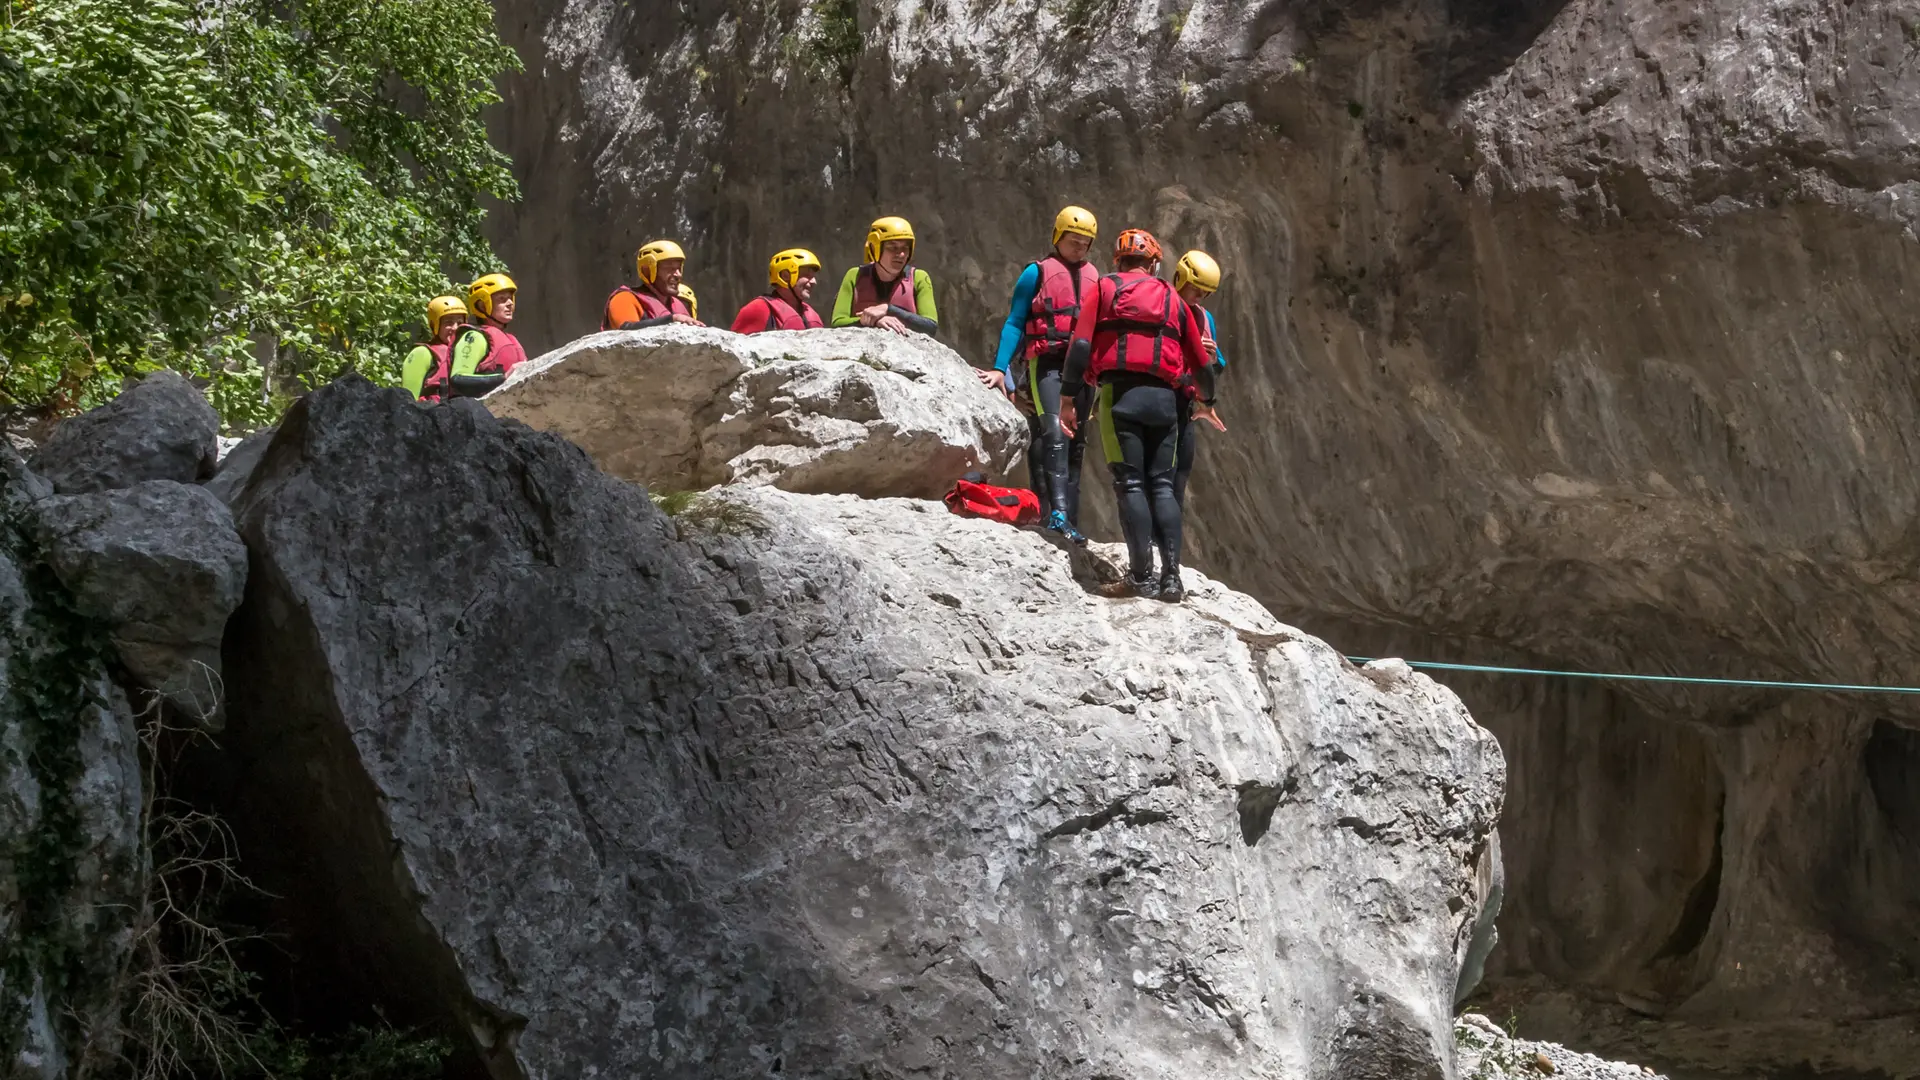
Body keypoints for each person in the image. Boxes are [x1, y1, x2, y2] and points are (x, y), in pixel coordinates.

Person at [1059, 229, 1224, 601]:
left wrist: (1068, 398)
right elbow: (1201, 363)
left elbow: (1081, 344)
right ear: (1153, 264)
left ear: (1118, 261)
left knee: (1131, 484)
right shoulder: (1172, 298)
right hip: (1166, 402)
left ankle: (1139, 577)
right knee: (1163, 486)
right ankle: (1171, 579)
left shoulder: (1102, 289)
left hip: (1121, 397)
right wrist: (1207, 402)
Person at [981, 205, 1100, 542]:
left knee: (1076, 446)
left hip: (1083, 374)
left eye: (1085, 242)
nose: (1079, 247)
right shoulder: (1036, 273)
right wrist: (999, 369)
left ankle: (1069, 519)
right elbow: (1016, 321)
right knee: (1055, 434)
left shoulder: (1097, 279)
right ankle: (1056, 516)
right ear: (1058, 238)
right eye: (1073, 240)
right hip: (1047, 365)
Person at [1170, 249, 1228, 506]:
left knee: (1180, 473)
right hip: (1161, 394)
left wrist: (1211, 360)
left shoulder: (1205, 318)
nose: (1199, 297)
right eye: (1196, 289)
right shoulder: (1163, 306)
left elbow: (1218, 366)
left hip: (1185, 402)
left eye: (1205, 293)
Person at [832, 216, 938, 336]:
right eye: (893, 248)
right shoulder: (854, 275)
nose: (901, 254)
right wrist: (874, 321)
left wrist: (888, 309)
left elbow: (930, 326)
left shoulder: (919, 278)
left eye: (905, 248)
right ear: (875, 248)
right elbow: (838, 322)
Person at [446, 273, 529, 398]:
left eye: (510, 298)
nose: (510, 303)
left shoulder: (511, 339)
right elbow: (458, 379)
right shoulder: (474, 337)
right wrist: (503, 378)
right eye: (502, 299)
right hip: (475, 412)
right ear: (482, 305)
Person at [603, 240, 704, 329]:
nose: (678, 275)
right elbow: (625, 330)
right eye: (670, 269)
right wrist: (671, 320)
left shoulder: (678, 305)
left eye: (679, 268)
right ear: (647, 271)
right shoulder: (625, 298)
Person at [732, 248, 828, 332]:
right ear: (785, 276)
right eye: (807, 275)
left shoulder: (810, 313)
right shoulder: (758, 309)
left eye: (813, 276)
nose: (814, 281)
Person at [401, 295, 468, 403]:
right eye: (448, 323)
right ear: (435, 325)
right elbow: (408, 400)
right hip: (431, 415)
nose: (455, 328)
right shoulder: (422, 353)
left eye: (460, 323)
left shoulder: (467, 353)